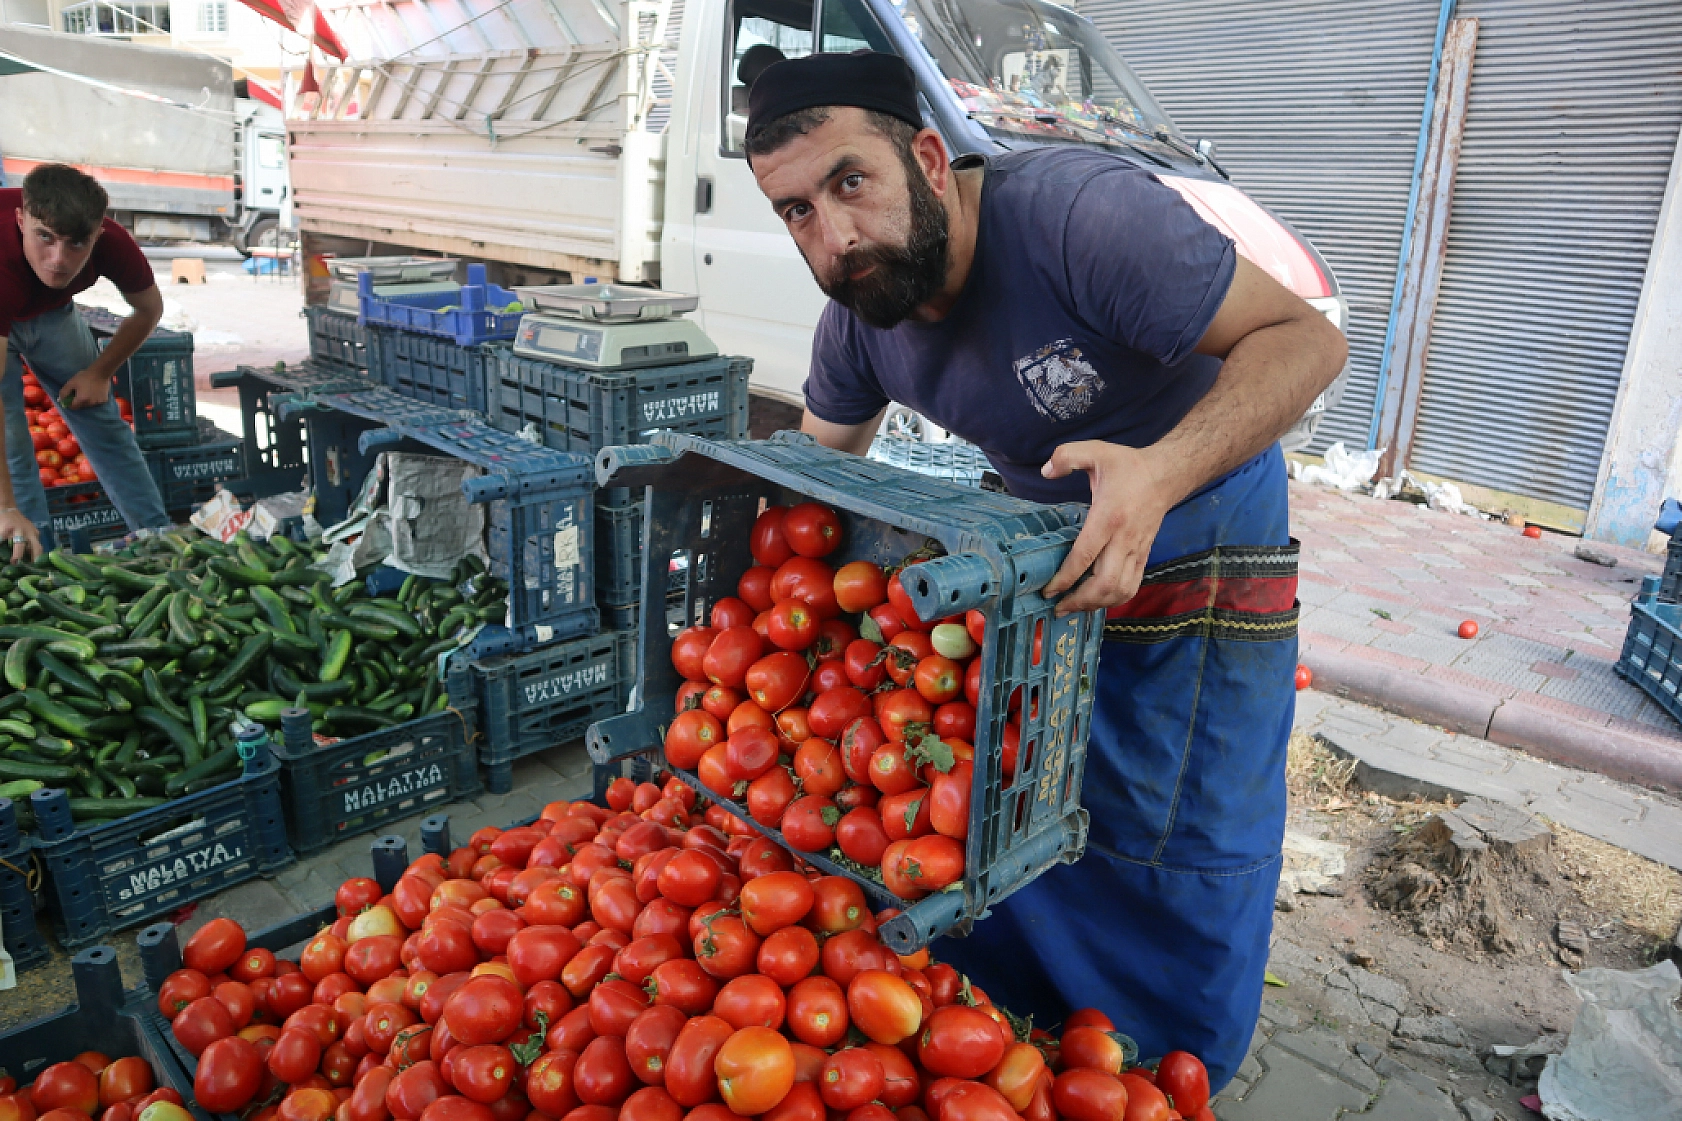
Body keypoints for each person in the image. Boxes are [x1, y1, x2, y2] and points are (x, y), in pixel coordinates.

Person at [743, 52, 1347, 1089]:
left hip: (1198, 537)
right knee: (1026, 798)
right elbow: (810, 485)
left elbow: (1305, 343)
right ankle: (1033, 1044)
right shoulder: (862, 318)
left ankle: (1161, 1073)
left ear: (927, 157)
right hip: (1044, 570)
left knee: (1171, 817)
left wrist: (1156, 475)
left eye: (851, 183)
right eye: (795, 211)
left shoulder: (1078, 221)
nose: (833, 237)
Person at [1, 163, 171, 561]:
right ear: (21, 220)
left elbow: (148, 309)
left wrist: (99, 372)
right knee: (11, 435)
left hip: (51, 312)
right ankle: (31, 554)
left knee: (100, 415)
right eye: (45, 238)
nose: (58, 259)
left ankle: (158, 538)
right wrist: (5, 507)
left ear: (98, 233)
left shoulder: (114, 243)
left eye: (76, 244)